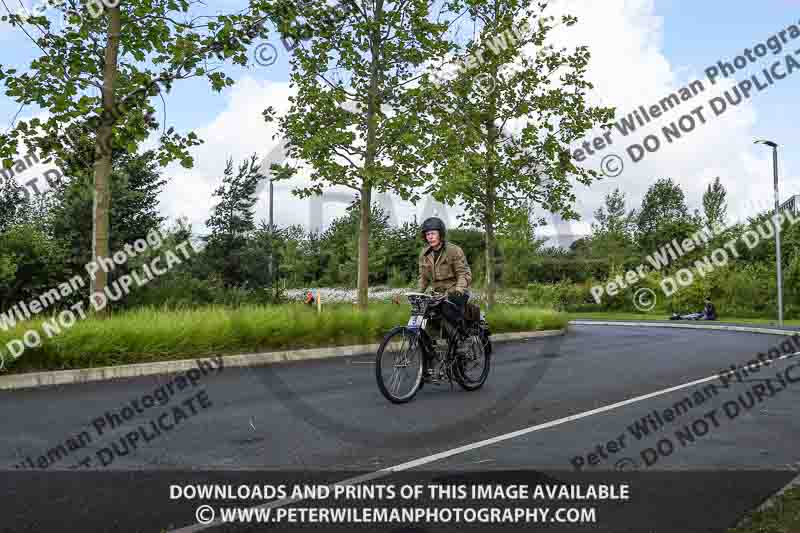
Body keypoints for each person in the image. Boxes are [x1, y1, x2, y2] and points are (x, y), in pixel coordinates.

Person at [417, 217, 472, 381]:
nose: (430, 237)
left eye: (433, 233)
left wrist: (459, 289)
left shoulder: (454, 251)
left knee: (447, 309)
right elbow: (423, 278)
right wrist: (417, 293)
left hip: (455, 291)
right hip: (437, 294)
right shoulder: (424, 254)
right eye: (427, 234)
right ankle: (431, 363)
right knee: (424, 322)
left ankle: (461, 341)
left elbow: (463, 274)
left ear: (440, 234)